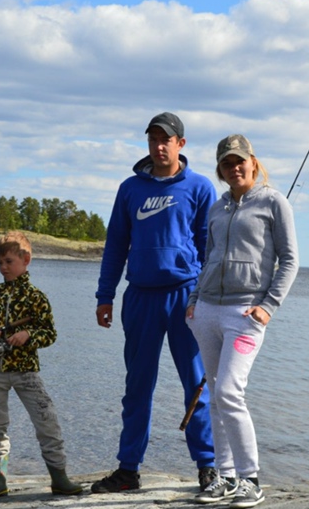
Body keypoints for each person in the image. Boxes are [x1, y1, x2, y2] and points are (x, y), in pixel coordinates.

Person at [93, 112, 218, 493]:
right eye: (153, 139)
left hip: (186, 298)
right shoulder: (130, 188)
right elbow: (116, 245)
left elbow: (209, 248)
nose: (159, 146)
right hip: (141, 298)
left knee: (196, 384)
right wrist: (105, 295)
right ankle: (128, 469)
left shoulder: (199, 187)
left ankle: (208, 467)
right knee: (138, 386)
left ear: (181, 144)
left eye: (167, 139)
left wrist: (205, 299)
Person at [185, 135, 299, 508]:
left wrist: (269, 306)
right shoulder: (217, 209)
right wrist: (194, 301)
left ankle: (251, 479)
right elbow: (208, 258)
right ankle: (226, 476)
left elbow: (290, 260)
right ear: (220, 169)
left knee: (229, 393)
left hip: (246, 313)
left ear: (252, 162)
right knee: (216, 399)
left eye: (239, 161)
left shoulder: (273, 202)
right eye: (226, 163)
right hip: (208, 312)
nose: (234, 168)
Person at [0, 231, 82, 500]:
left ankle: (59, 479)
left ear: (26, 260)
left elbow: (50, 333)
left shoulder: (37, 297)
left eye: (8, 262)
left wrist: (29, 336)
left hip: (26, 371)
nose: (3, 268)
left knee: (47, 422)